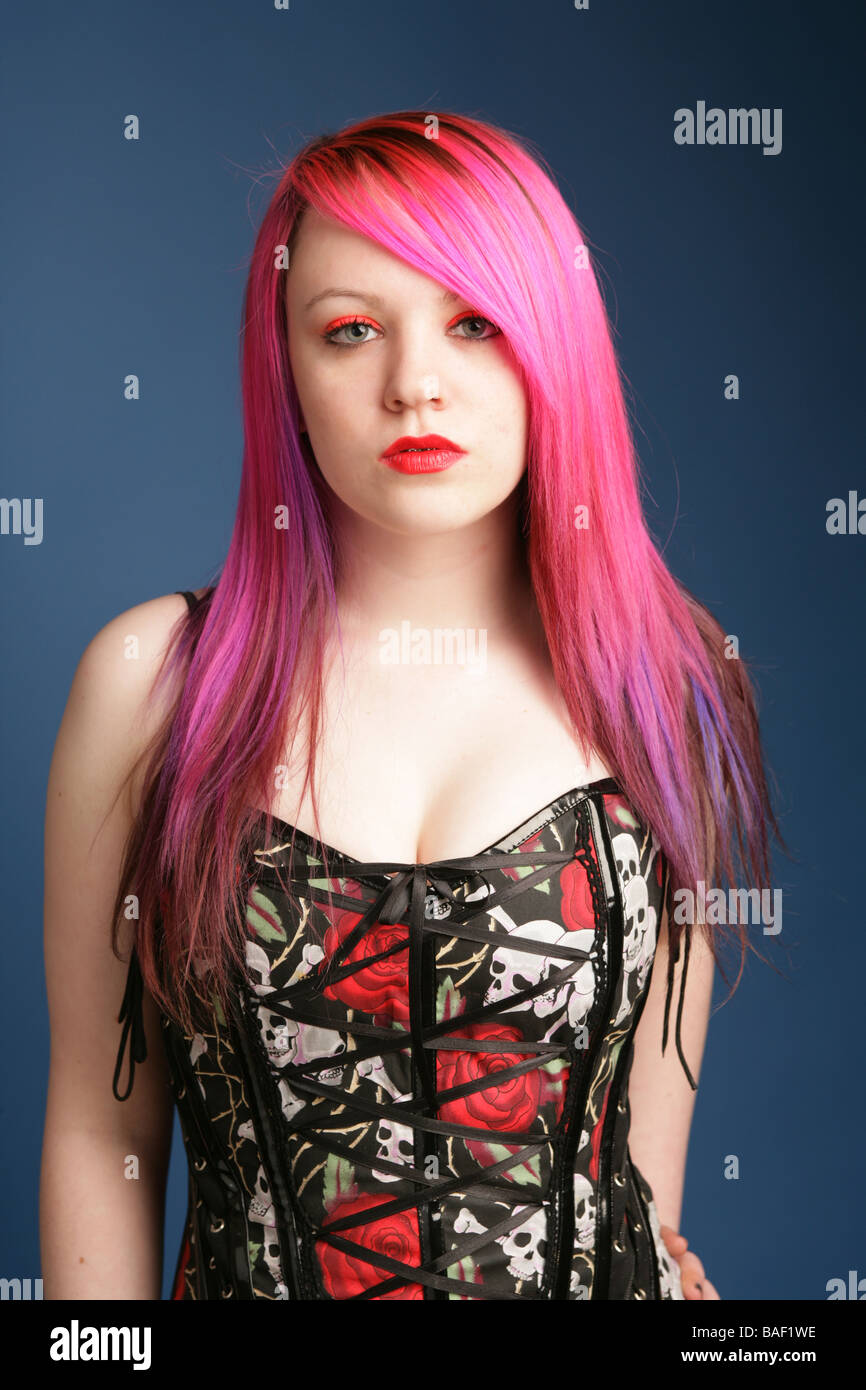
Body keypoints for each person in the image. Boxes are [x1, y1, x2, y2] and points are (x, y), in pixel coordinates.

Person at [40, 109, 782, 1300]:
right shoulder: (152, 681)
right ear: (284, 365)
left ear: (554, 345)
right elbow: (100, 1133)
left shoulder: (669, 678)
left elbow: (640, 1166)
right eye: (349, 331)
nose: (414, 385)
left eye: (475, 322)